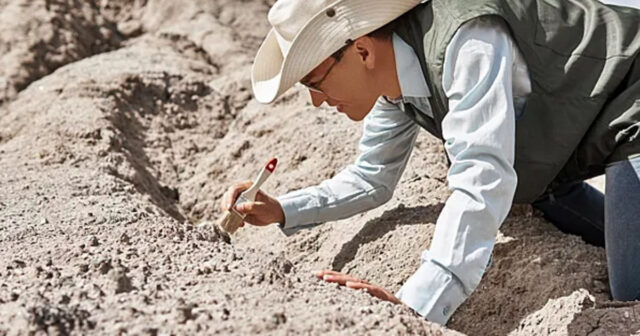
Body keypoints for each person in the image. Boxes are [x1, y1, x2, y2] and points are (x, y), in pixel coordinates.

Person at [220, 0, 640, 325]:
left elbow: (483, 176)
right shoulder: (394, 83)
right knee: (538, 198)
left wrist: (413, 306)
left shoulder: (467, 39)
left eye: (314, 81)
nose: (315, 100)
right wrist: (282, 209)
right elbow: (372, 177)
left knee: (631, 297)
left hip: (632, 110)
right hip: (577, 137)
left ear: (362, 51)